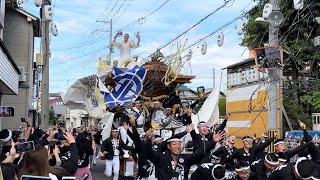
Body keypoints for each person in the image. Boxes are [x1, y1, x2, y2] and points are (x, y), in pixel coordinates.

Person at [147, 130, 225, 180]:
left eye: (179, 144)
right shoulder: (161, 158)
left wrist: (213, 142)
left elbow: (200, 153)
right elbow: (149, 154)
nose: (177, 146)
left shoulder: (185, 159)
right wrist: (148, 140)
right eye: (174, 144)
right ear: (168, 146)